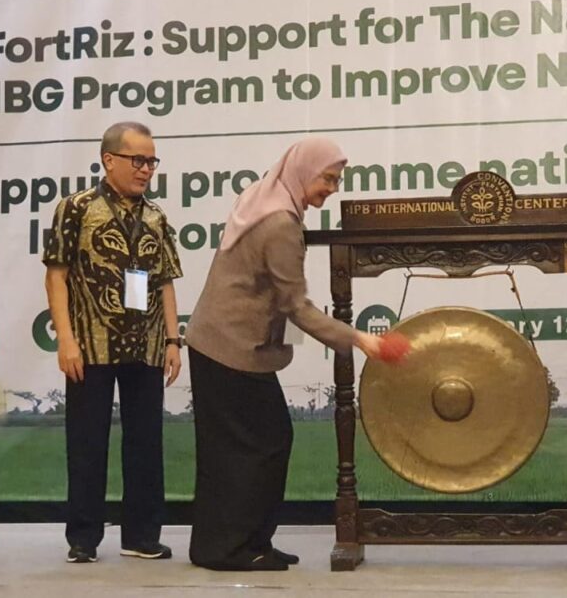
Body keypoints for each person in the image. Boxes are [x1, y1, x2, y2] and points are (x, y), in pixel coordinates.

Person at [185, 136, 383, 571]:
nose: (332, 188)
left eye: (337, 180)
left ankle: (245, 543)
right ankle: (231, 549)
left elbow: (279, 300)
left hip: (219, 344)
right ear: (303, 171)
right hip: (230, 348)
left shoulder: (265, 200)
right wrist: (359, 339)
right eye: (327, 178)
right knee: (262, 446)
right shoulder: (279, 224)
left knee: (242, 448)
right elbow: (296, 306)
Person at [43, 121, 183, 564]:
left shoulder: (156, 215)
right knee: (87, 443)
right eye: (138, 160)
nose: (146, 170)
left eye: (151, 161)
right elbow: (56, 275)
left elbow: (165, 281)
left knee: (146, 443)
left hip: (146, 343)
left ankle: (141, 535)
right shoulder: (77, 208)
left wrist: (173, 340)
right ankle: (83, 538)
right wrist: (66, 339)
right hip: (91, 343)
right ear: (109, 160)